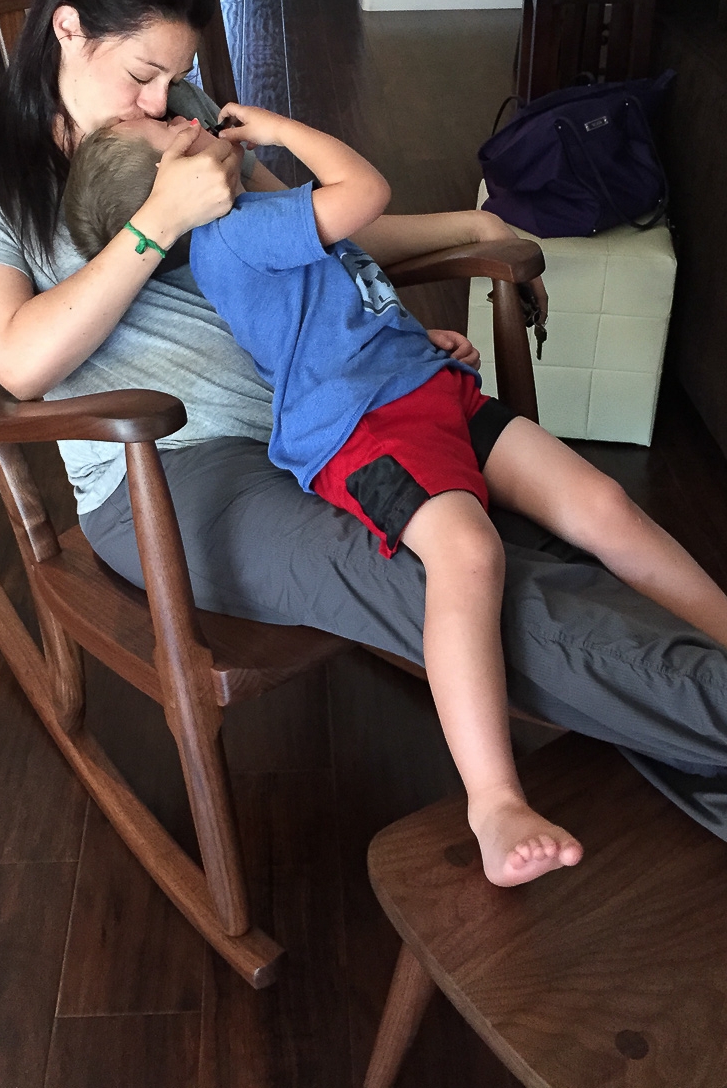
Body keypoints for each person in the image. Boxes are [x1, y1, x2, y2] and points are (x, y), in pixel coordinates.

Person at [0, 0, 727, 843]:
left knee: (567, 523)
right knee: (436, 574)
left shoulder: (181, 119)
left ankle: (687, 717)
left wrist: (471, 230)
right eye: (143, 73)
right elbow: (18, 361)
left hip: (338, 400)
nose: (163, 98)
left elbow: (312, 231)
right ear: (67, 29)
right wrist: (157, 222)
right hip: (173, 464)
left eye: (176, 76)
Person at [63, 106, 727, 884]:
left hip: (424, 386)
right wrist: (280, 129)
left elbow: (340, 299)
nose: (186, 116)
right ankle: (494, 802)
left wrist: (410, 339)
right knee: (468, 556)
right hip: (365, 432)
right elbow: (366, 192)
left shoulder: (258, 219)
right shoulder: (235, 232)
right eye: (173, 134)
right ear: (170, 194)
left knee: (602, 506)